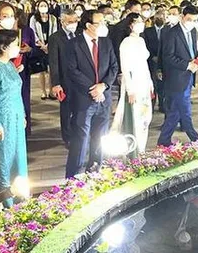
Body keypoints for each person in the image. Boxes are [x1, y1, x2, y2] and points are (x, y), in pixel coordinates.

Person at [65, 10, 118, 178]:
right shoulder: (74, 44)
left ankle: (95, 170)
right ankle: (73, 177)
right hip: (84, 99)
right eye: (99, 23)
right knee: (80, 140)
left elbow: (114, 67)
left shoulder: (106, 43)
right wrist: (93, 89)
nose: (103, 26)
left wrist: (103, 86)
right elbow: (72, 71)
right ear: (88, 25)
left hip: (104, 99)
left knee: (100, 138)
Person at [0, 29, 27, 207]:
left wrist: (23, 114)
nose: (18, 48)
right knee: (5, 157)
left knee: (19, 156)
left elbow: (17, 93)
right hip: (4, 118)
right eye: (15, 45)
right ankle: (6, 198)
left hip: (17, 116)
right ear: (3, 47)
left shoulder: (9, 65)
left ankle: (21, 193)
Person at [157, 5, 198, 147]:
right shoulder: (171, 33)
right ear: (182, 17)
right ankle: (196, 140)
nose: (192, 23)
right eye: (189, 19)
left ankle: (163, 141)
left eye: (195, 20)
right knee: (185, 111)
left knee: (174, 113)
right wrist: (188, 65)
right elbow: (168, 57)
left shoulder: (193, 32)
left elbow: (194, 52)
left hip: (188, 77)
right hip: (176, 79)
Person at [112, 14, 154, 155]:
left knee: (145, 117)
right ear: (130, 25)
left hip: (143, 80)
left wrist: (150, 82)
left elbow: (144, 64)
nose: (141, 24)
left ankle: (141, 147)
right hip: (133, 83)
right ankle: (132, 149)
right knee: (135, 116)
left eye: (142, 21)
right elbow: (125, 67)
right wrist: (130, 90)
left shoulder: (141, 40)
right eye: (138, 22)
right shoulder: (126, 43)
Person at [49, 9, 78, 146]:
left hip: (79, 78)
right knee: (66, 111)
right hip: (64, 80)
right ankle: (68, 138)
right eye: (70, 22)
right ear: (62, 22)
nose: (73, 24)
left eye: (75, 21)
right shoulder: (55, 38)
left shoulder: (79, 34)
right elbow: (53, 61)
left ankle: (78, 134)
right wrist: (56, 83)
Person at [30, 0, 58, 99]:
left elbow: (54, 32)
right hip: (39, 46)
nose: (43, 7)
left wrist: (48, 45)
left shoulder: (53, 18)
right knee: (41, 70)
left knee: (51, 70)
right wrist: (41, 44)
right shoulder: (34, 18)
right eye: (41, 5)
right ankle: (43, 91)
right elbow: (32, 32)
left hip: (50, 46)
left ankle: (51, 91)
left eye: (45, 5)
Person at [157, 5, 181, 113]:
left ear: (180, 15)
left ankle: (184, 124)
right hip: (169, 69)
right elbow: (161, 50)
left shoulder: (190, 29)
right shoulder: (165, 29)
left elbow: (197, 50)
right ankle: (168, 122)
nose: (172, 16)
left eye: (174, 14)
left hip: (185, 69)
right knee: (168, 98)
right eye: (170, 14)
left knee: (183, 99)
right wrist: (159, 68)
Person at [144, 11, 165, 112]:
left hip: (164, 62)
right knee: (152, 85)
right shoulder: (147, 31)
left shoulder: (168, 30)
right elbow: (145, 45)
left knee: (162, 85)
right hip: (151, 62)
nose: (159, 19)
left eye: (162, 17)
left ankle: (162, 105)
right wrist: (152, 56)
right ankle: (151, 106)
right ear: (154, 19)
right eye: (157, 17)